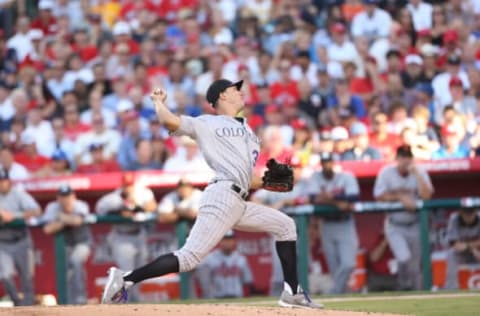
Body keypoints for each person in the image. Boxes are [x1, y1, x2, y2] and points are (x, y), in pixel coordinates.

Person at [101, 80, 322, 308]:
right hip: (222, 194)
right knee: (188, 258)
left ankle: (292, 293)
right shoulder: (208, 123)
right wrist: (158, 102)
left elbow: (247, 176)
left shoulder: (249, 131)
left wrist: (269, 181)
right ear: (222, 96)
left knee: (285, 226)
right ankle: (125, 279)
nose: (241, 91)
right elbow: (169, 120)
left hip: (239, 199)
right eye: (235, 89)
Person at [373, 145, 434, 290]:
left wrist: (418, 175)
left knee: (414, 264)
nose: (405, 160)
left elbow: (427, 196)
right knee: (403, 258)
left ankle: (418, 293)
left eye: (408, 157)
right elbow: (378, 196)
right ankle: (402, 287)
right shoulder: (386, 173)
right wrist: (400, 197)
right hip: (395, 224)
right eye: (402, 157)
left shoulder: (420, 171)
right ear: (397, 158)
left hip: (415, 223)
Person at [250, 157, 308, 296]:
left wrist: (284, 202)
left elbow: (308, 199)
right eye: (293, 168)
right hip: (280, 234)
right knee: (279, 271)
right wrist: (270, 208)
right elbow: (254, 199)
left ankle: (300, 297)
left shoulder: (306, 184)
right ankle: (274, 300)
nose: (296, 171)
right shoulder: (278, 184)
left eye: (298, 168)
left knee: (303, 270)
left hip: (303, 234)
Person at [96, 172, 157, 302]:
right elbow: (99, 211)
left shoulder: (142, 193)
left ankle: (135, 303)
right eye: (125, 185)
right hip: (121, 236)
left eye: (130, 185)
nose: (128, 188)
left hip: (139, 234)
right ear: (121, 185)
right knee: (126, 272)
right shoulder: (112, 198)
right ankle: (125, 304)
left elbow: (153, 207)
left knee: (140, 272)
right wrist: (117, 211)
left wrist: (137, 205)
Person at [307, 152, 360, 294]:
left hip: (345, 223)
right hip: (327, 224)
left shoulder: (346, 176)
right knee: (335, 268)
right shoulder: (316, 177)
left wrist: (329, 198)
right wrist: (338, 201)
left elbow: (353, 198)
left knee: (349, 264)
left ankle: (333, 292)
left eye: (329, 162)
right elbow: (313, 198)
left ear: (334, 163)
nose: (327, 165)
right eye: (324, 162)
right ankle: (342, 299)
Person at [42, 185, 92, 304]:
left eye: (68, 196)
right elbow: (47, 229)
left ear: (73, 196)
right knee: (67, 273)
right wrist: (66, 220)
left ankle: (81, 299)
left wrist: (60, 218)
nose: (65, 199)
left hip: (83, 241)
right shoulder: (52, 207)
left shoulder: (80, 205)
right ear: (58, 198)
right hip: (66, 244)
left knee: (76, 261)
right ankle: (69, 302)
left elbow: (77, 221)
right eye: (62, 196)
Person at [0, 168, 41, 306]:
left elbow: (36, 210)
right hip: (3, 243)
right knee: (5, 275)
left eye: (3, 180)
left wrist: (14, 216)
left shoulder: (19, 194)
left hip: (21, 240)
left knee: (27, 278)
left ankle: (28, 308)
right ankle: (17, 304)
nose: (1, 183)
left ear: (9, 181)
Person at [195, 230, 254, 299]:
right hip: (216, 298)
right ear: (219, 241)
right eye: (225, 239)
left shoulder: (241, 259)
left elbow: (247, 281)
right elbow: (202, 280)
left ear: (234, 241)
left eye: (230, 239)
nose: (227, 242)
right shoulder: (209, 259)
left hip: (237, 297)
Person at [445, 208, 480, 289]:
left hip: (478, 251)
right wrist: (472, 248)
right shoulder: (454, 219)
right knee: (451, 254)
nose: (468, 215)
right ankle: (451, 289)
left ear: (475, 211)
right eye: (466, 212)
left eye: (471, 212)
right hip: (461, 253)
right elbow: (455, 244)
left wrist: (468, 245)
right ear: (461, 212)